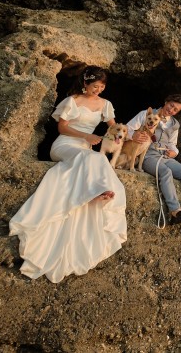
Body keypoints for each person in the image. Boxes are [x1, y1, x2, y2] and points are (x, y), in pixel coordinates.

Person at [9, 66, 128, 282]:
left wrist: (133, 135)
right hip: (65, 145)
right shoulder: (72, 100)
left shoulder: (105, 104)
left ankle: (100, 192)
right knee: (89, 157)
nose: (98, 90)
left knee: (97, 157)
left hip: (85, 149)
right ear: (85, 83)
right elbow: (62, 128)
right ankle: (92, 192)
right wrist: (87, 136)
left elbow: (116, 127)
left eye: (102, 87)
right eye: (95, 86)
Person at [125, 93, 181, 226]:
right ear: (166, 101)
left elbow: (173, 143)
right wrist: (134, 135)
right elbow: (127, 129)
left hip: (164, 156)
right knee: (165, 172)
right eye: (171, 105)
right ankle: (175, 212)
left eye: (175, 110)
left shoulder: (175, 124)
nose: (171, 110)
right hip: (147, 155)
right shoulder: (147, 114)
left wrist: (175, 152)